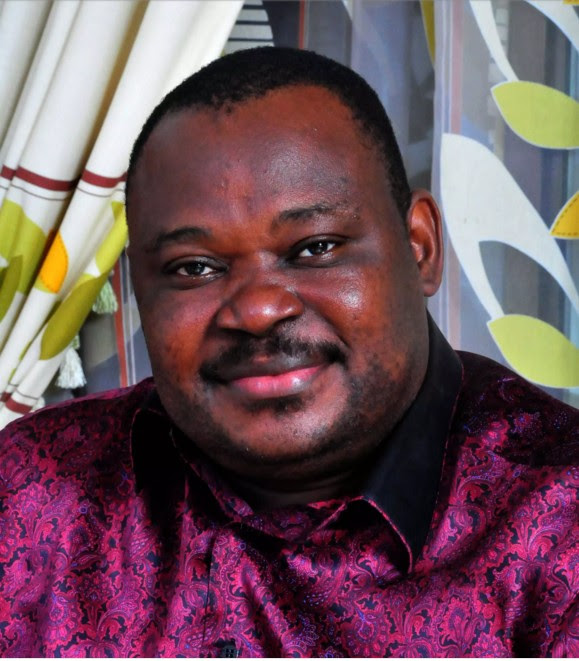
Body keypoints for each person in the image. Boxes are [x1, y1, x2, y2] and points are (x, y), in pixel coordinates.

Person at [0, 47, 576, 658]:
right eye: (194, 267)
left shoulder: (557, 520)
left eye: (315, 248)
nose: (257, 310)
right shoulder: (34, 490)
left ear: (420, 248)